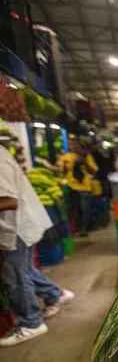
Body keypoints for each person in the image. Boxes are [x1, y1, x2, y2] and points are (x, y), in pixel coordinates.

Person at [0, 146, 74, 347]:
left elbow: (9, 200)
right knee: (22, 269)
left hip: (16, 225)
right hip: (15, 225)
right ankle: (55, 294)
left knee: (15, 274)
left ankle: (31, 323)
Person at [58, 136, 98, 237]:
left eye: (74, 143)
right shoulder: (65, 157)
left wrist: (84, 162)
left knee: (86, 208)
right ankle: (76, 227)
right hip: (71, 185)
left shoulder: (86, 156)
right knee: (73, 208)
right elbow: (61, 172)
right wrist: (65, 168)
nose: (73, 146)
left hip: (84, 186)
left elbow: (94, 171)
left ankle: (84, 227)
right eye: (70, 144)